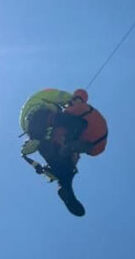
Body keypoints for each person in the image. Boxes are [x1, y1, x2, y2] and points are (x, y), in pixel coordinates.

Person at [19, 88, 109, 217]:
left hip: (37, 130)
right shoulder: (69, 100)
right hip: (38, 118)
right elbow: (68, 107)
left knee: (65, 168)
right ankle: (65, 152)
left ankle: (65, 185)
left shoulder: (60, 112)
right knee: (77, 124)